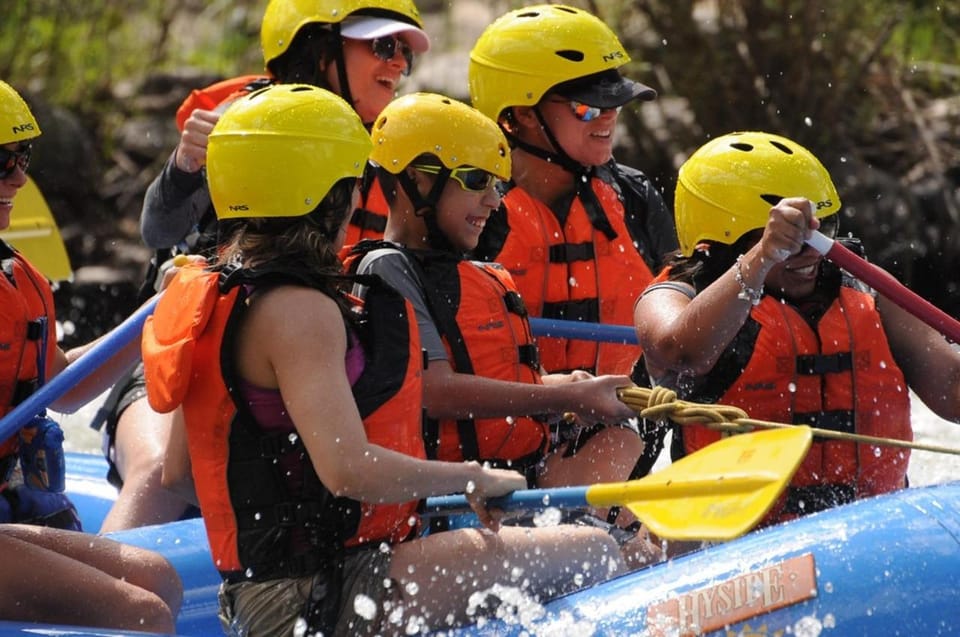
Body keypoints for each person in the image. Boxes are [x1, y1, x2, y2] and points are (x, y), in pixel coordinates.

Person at [143, 84, 625, 636]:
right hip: (325, 593)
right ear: (323, 192)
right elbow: (347, 469)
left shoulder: (214, 296)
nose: (356, 200)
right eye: (351, 185)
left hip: (258, 595)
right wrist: (471, 477)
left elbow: (180, 473)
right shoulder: (299, 312)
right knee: (594, 550)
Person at [96, 0, 431, 532]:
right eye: (382, 46)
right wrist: (186, 166)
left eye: (404, 54)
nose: (397, 65)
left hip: (314, 360)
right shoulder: (246, 127)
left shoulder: (395, 145)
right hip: (193, 358)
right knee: (160, 466)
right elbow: (160, 230)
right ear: (317, 49)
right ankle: (105, 593)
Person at [350, 92, 659, 564]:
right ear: (415, 178)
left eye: (496, 184)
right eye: (476, 182)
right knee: (609, 553)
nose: (494, 201)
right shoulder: (385, 270)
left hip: (508, 487)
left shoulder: (477, 274)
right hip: (447, 505)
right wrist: (563, 398)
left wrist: (563, 386)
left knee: (624, 444)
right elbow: (432, 391)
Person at [633, 131, 960, 526]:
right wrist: (764, 256)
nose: (810, 252)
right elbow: (681, 352)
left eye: (821, 232)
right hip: (735, 550)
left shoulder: (865, 288)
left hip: (871, 532)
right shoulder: (673, 295)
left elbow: (952, 390)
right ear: (718, 243)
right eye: (789, 239)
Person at [0, 79, 182, 633]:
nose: (20, 177)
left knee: (159, 579)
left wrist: (155, 311)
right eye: (3, 162)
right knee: (143, 615)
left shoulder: (17, 278)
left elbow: (62, 382)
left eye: (22, 157)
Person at [468, 4, 678, 380]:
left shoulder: (634, 196)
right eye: (588, 106)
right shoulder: (474, 207)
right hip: (510, 424)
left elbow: (688, 325)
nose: (608, 115)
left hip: (624, 419)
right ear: (523, 114)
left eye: (615, 101)